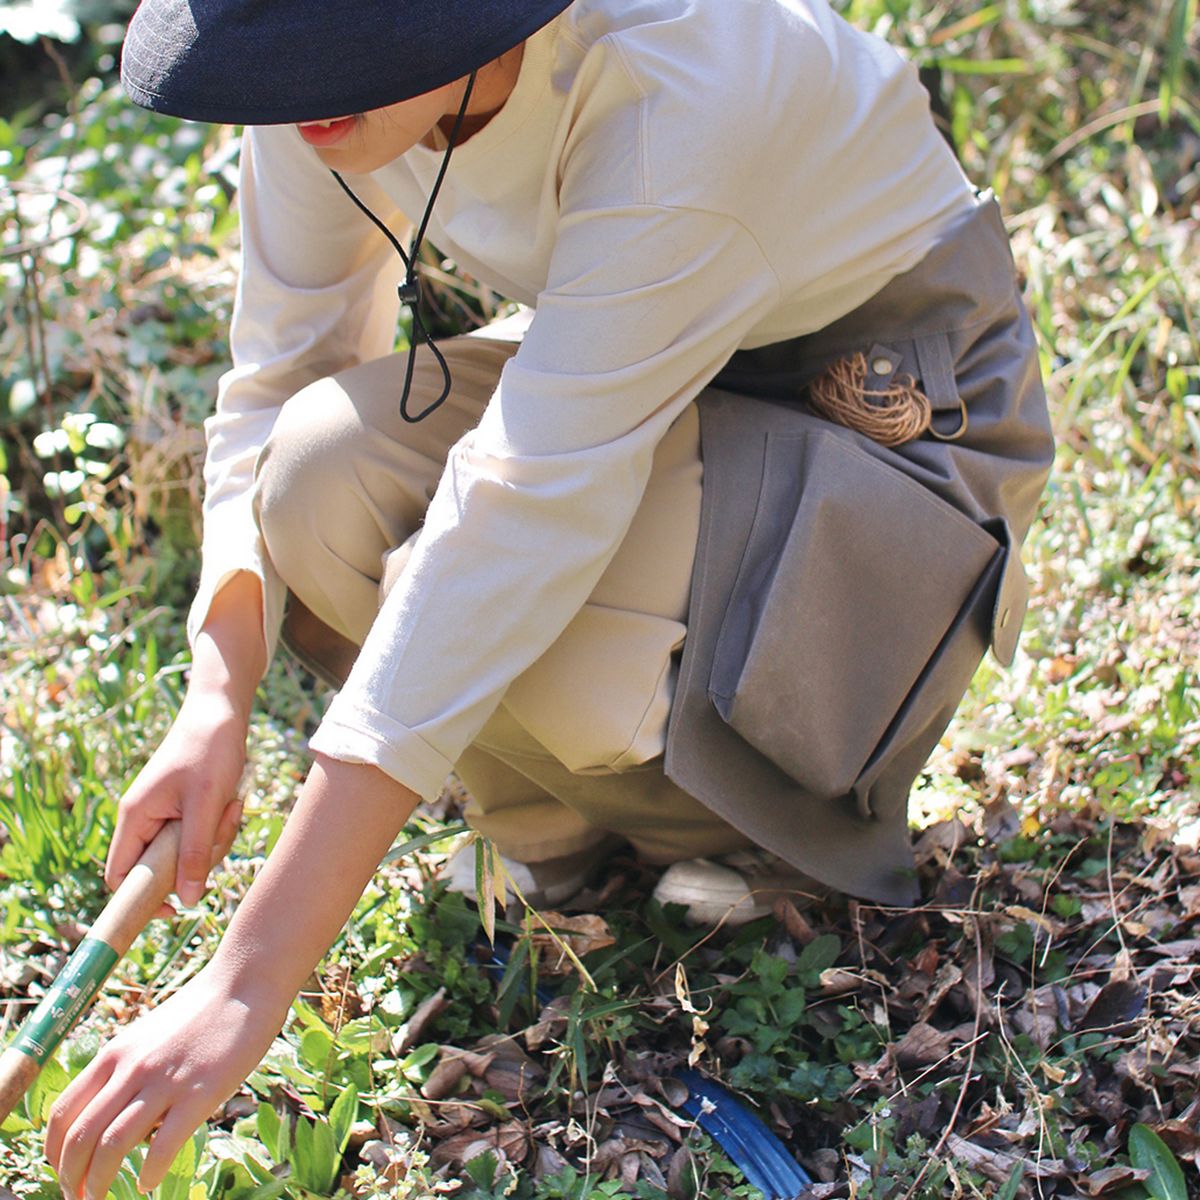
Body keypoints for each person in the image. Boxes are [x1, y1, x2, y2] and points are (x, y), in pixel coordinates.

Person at [45, 0, 1054, 1193]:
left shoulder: (676, 84)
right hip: (658, 395)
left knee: (517, 605)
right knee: (319, 476)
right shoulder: (324, 72)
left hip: (885, 435)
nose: (299, 82)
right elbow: (283, 374)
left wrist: (246, 980)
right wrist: (218, 690)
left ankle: (755, 826)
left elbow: (519, 520)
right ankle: (557, 850)